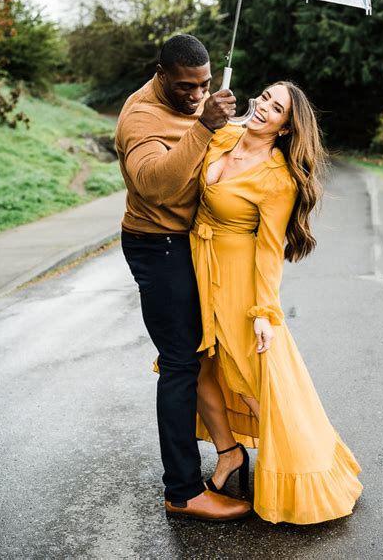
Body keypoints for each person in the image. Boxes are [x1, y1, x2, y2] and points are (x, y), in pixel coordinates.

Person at [190, 81, 363, 524]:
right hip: (196, 270)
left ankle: (304, 468)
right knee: (198, 368)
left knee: (249, 379)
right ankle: (229, 455)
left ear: (287, 127)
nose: (265, 106)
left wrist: (265, 313)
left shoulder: (277, 179)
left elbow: (269, 250)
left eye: (278, 108)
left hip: (239, 284)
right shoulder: (224, 134)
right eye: (265, 96)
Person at [115, 34, 252, 521]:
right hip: (158, 244)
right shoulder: (140, 118)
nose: (196, 96)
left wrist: (225, 124)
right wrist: (205, 127)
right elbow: (154, 185)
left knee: (200, 351)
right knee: (179, 363)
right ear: (161, 74)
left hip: (189, 241)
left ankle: (229, 453)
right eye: (186, 88)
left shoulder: (195, 101)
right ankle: (183, 491)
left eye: (205, 85)